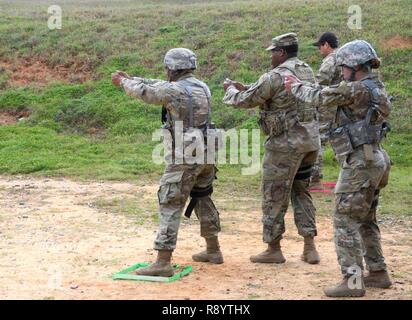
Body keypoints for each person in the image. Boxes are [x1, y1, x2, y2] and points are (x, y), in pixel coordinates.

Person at [285, 40, 392, 297]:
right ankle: (377, 272)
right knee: (365, 219)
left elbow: (320, 96)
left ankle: (352, 281)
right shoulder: (376, 87)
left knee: (344, 220)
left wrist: (295, 86)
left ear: (356, 66)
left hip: (360, 164)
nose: (341, 71)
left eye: (344, 67)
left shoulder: (355, 89)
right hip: (376, 159)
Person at [112, 48, 223, 277]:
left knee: (170, 200)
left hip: (186, 153)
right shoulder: (202, 86)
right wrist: (132, 78)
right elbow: (156, 84)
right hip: (207, 149)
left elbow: (147, 92)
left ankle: (163, 262)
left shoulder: (173, 91)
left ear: (172, 68)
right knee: (202, 196)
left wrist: (124, 83)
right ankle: (213, 249)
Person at [223, 33, 321, 265]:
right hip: (309, 141)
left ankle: (273, 248)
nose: (271, 57)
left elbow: (245, 101)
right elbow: (277, 96)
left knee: (274, 194)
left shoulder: (276, 75)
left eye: (273, 52)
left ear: (282, 52)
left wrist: (230, 90)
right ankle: (309, 247)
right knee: (301, 192)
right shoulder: (306, 70)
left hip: (285, 145)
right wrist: (246, 87)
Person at [311, 32, 343, 184]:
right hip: (342, 105)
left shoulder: (331, 59)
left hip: (328, 105)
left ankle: (314, 173)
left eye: (320, 46)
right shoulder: (344, 57)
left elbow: (322, 81)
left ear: (326, 44)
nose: (319, 50)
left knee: (319, 138)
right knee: (341, 139)